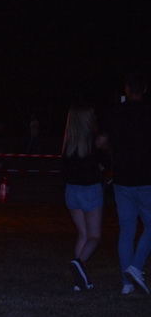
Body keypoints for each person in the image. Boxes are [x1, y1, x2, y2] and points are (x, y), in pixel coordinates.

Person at [96, 71, 151, 295]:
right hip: (147, 179)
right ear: (144, 89)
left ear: (127, 90)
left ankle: (126, 283)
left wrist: (114, 148)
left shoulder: (116, 112)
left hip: (122, 179)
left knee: (127, 230)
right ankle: (136, 267)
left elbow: (100, 142)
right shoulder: (148, 113)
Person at [62, 104, 106, 291]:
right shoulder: (95, 142)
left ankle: (80, 280)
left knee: (83, 234)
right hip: (90, 191)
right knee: (94, 236)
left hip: (71, 191)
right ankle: (79, 262)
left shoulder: (68, 144)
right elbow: (103, 164)